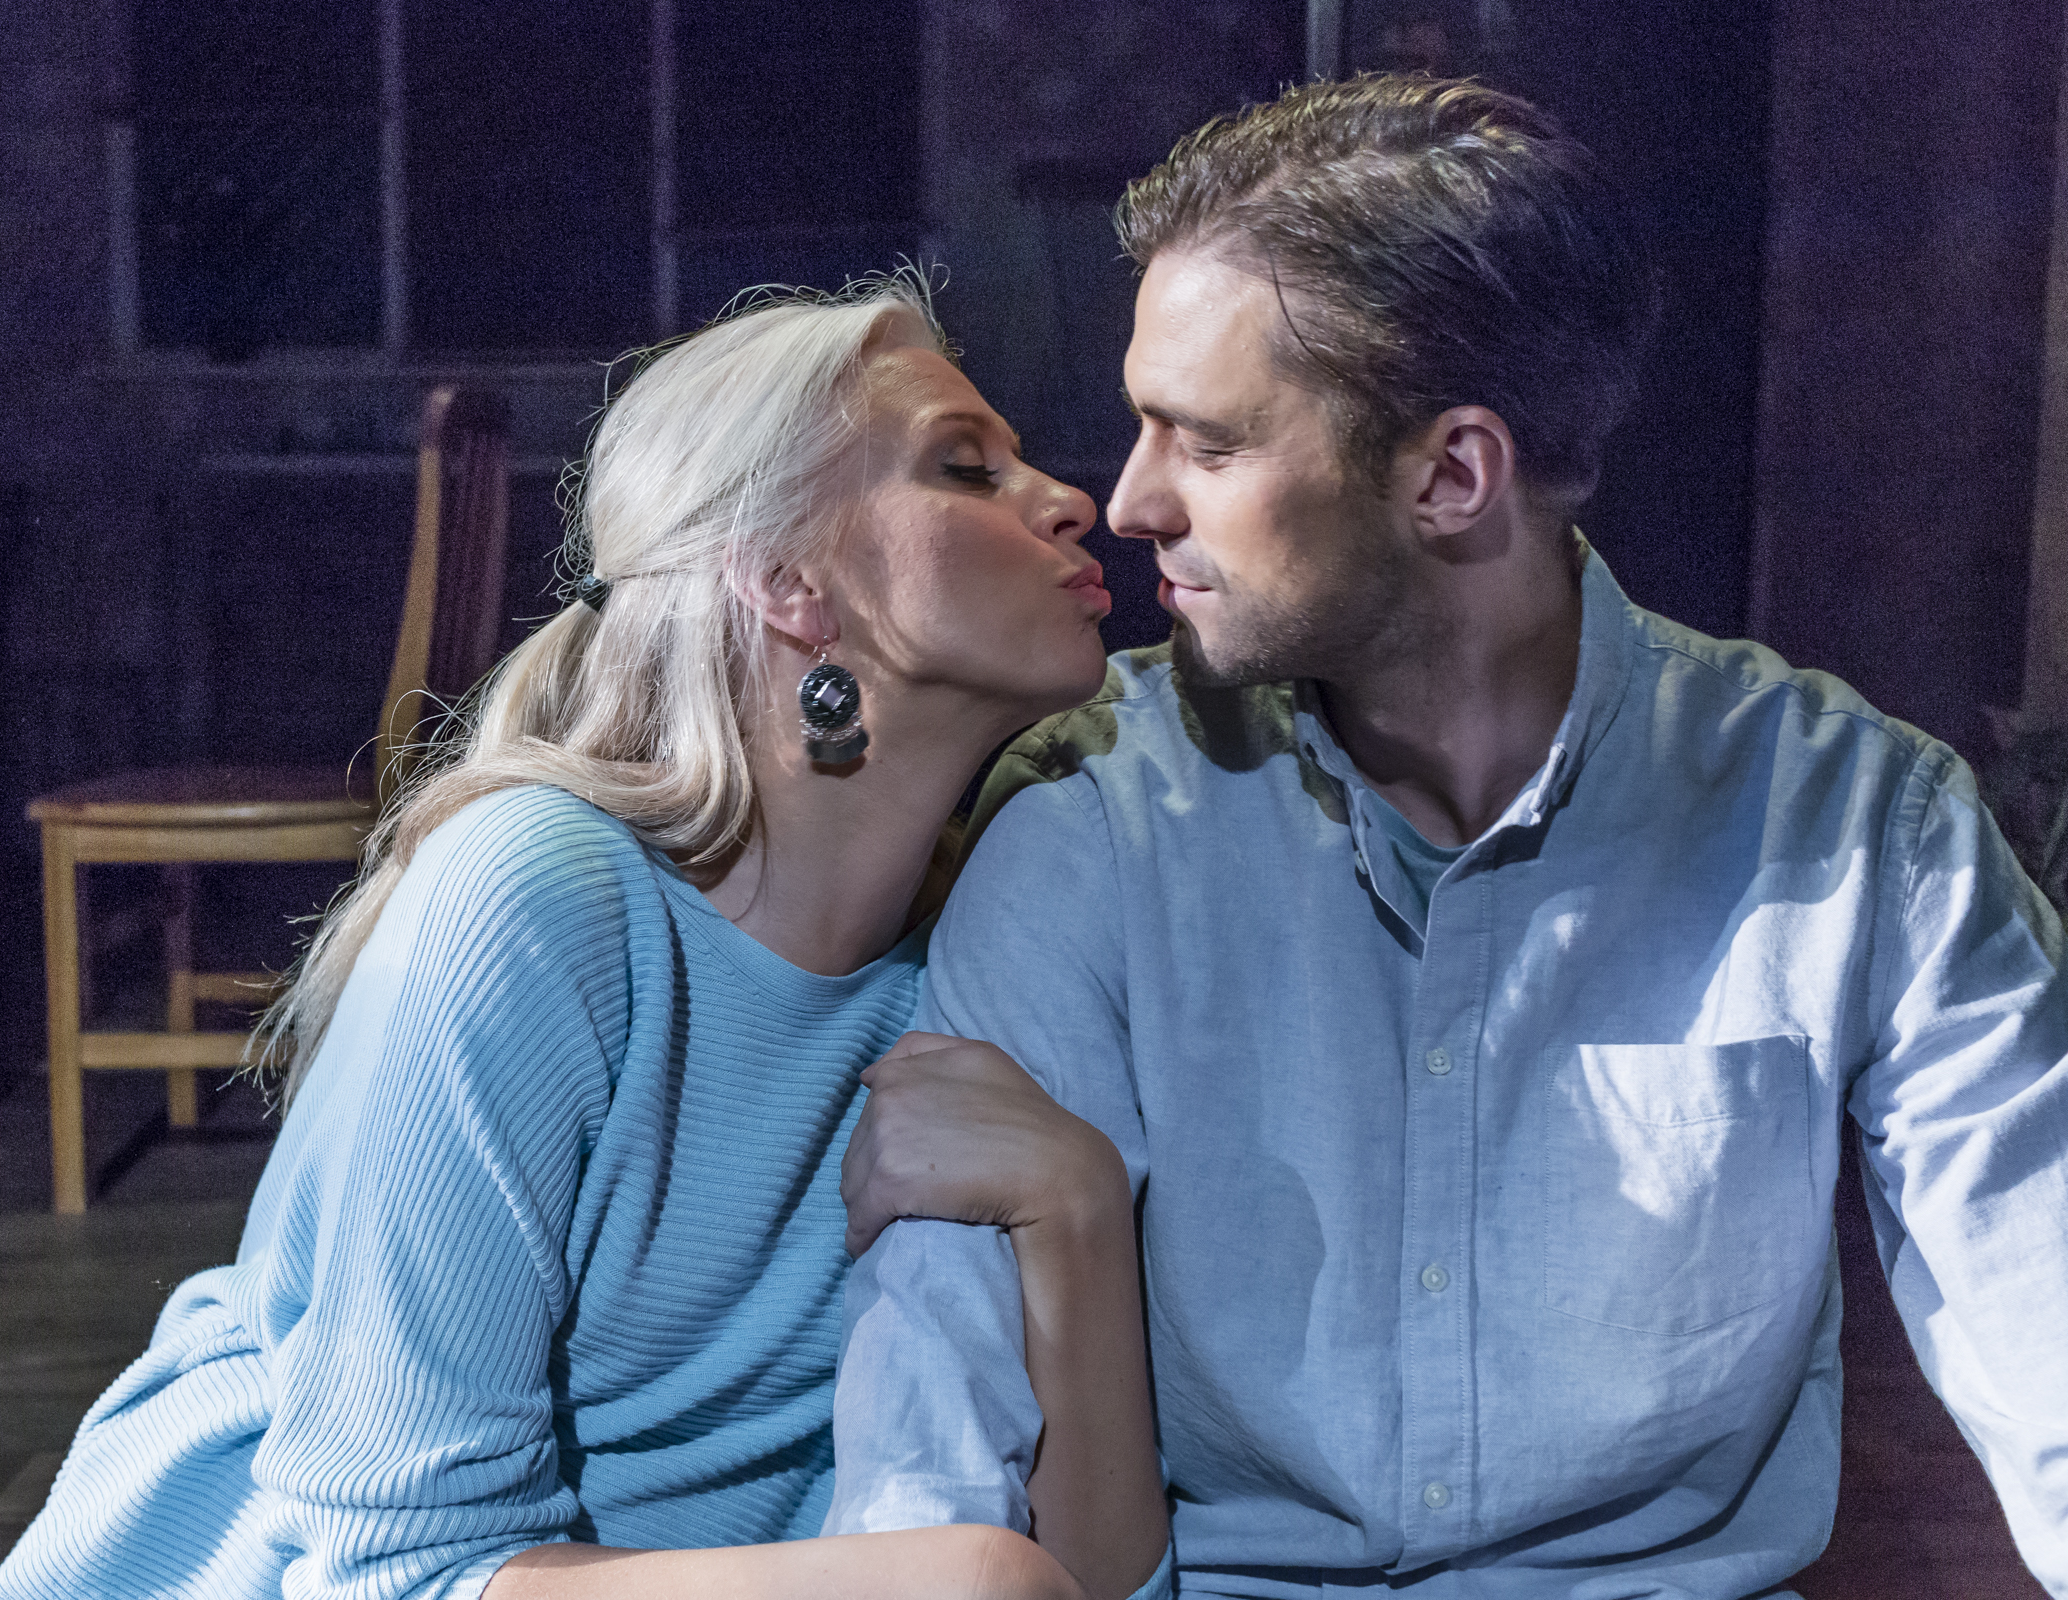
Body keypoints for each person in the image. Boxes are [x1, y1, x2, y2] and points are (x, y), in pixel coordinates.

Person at [827, 76, 2068, 1598]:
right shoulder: (1092, 822)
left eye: (1205, 443)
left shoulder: (1858, 828)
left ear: (1451, 477)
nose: (1131, 500)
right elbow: (934, 1430)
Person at [0, 278, 1161, 1600]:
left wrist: (1076, 1207)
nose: (1074, 500)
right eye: (965, 468)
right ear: (788, 583)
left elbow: (1108, 1585)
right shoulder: (536, 902)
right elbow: (391, 1571)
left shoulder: (995, 944)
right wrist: (962, 1578)